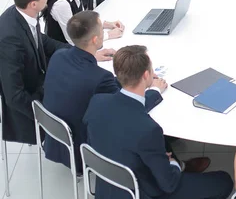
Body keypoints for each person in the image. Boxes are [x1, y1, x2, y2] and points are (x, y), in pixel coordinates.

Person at [84, 45, 233, 199]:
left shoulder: (97, 102)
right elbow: (169, 184)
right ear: (147, 74)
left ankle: (178, 167)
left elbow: (123, 116)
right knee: (223, 181)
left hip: (108, 187)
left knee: (163, 147)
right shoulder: (148, 130)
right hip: (145, 194)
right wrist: (172, 164)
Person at [42, 11, 163, 173]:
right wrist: (154, 89)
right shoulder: (100, 78)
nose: (103, 33)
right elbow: (129, 110)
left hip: (56, 138)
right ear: (95, 39)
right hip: (84, 149)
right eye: (101, 31)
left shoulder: (59, 55)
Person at [0, 0, 70, 145]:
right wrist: (45, 118)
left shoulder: (24, 13)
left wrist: (78, 52)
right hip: (29, 104)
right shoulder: (10, 40)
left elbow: (42, 40)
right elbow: (14, 97)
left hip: (40, 85)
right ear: (33, 4)